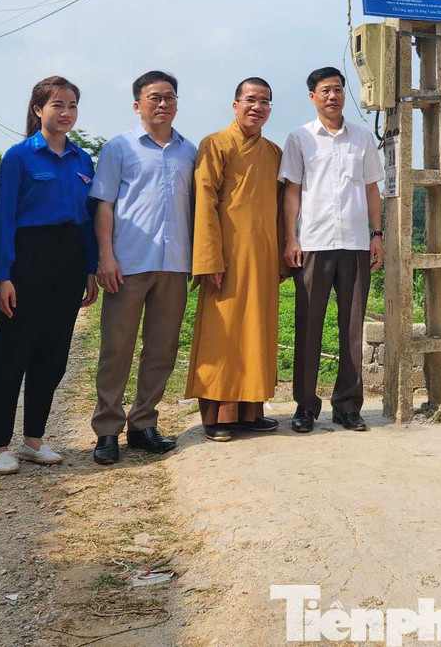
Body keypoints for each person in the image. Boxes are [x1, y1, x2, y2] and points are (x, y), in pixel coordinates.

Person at [0, 76, 99, 474]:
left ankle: (33, 439)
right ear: (38, 110)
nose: (65, 113)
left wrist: (90, 269)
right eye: (57, 106)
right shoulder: (19, 156)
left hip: (69, 261)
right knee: (13, 354)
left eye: (71, 106)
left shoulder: (83, 160)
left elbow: (87, 221)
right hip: (28, 258)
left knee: (52, 356)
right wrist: (5, 275)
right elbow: (4, 219)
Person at [88, 70, 197, 465]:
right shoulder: (119, 148)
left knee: (162, 349)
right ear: (138, 104)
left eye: (169, 96)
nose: (162, 103)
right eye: (154, 97)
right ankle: (106, 430)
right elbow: (103, 204)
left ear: (177, 103)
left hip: (174, 264)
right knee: (117, 349)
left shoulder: (190, 151)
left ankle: (144, 423)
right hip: (127, 263)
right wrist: (105, 257)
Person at [280, 67, 385, 434]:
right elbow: (291, 191)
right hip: (314, 243)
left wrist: (377, 234)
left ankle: (347, 406)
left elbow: (372, 189)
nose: (332, 96)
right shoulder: (300, 139)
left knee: (352, 327)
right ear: (312, 96)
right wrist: (291, 239)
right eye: (325, 90)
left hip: (356, 244)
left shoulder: (362, 139)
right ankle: (306, 406)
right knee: (309, 326)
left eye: (338, 89)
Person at [186, 78, 284, 442]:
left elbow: (279, 209)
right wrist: (209, 257)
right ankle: (218, 416)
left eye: (264, 102)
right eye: (250, 100)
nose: (257, 107)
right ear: (235, 104)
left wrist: (282, 256)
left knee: (256, 332)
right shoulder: (215, 144)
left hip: (261, 257)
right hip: (224, 258)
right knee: (222, 335)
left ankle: (250, 410)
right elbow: (204, 202)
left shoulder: (273, 152)